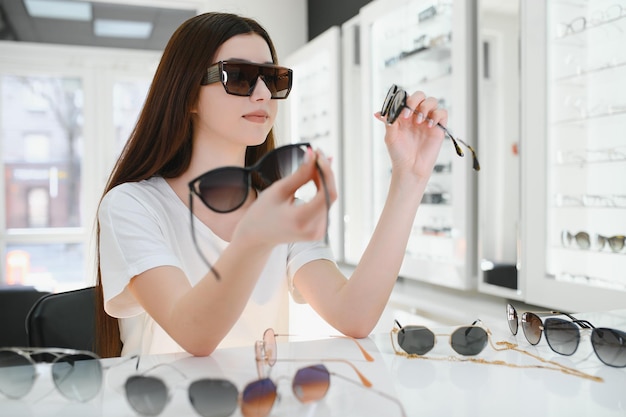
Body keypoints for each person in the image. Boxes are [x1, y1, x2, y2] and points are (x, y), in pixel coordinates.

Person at [95, 12, 446, 358]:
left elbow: (354, 314)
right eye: (241, 77)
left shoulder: (281, 210)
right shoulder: (131, 205)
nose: (263, 93)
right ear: (187, 95)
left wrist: (409, 179)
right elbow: (194, 334)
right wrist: (258, 234)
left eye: (273, 78)